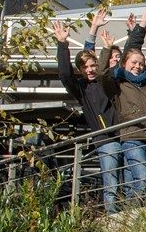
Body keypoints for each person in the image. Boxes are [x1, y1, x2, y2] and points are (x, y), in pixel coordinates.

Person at [98, 4, 146, 202]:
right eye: (133, 62)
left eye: (141, 63)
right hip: (133, 136)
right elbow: (102, 74)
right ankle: (134, 215)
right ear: (124, 64)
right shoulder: (118, 85)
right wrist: (107, 49)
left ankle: (145, 213)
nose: (137, 66)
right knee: (142, 178)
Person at [51, 16, 120, 211]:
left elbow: (101, 62)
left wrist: (95, 29)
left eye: (93, 66)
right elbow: (65, 75)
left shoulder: (105, 80)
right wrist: (62, 44)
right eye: (85, 68)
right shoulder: (82, 88)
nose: (90, 70)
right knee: (111, 180)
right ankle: (113, 214)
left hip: (125, 134)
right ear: (80, 70)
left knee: (128, 178)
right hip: (105, 139)